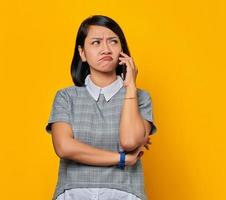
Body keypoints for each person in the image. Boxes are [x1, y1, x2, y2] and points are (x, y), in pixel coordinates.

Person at [45, 15, 157, 200]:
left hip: (125, 194)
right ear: (82, 53)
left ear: (122, 50)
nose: (106, 49)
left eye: (113, 41)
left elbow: (129, 141)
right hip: (74, 193)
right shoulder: (66, 97)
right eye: (96, 42)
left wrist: (130, 88)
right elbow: (64, 147)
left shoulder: (140, 97)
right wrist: (122, 159)